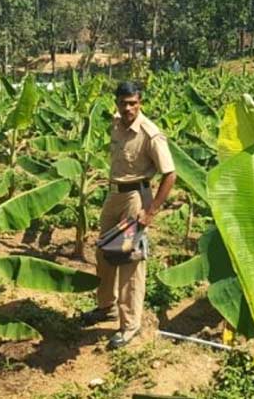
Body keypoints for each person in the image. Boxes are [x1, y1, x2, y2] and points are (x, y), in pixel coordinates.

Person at [81, 81, 177, 350]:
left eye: (133, 103)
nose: (128, 108)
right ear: (117, 103)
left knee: (130, 260)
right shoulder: (116, 123)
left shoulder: (149, 133)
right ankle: (106, 307)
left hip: (137, 197)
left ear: (140, 102)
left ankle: (130, 324)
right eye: (123, 103)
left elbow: (170, 174)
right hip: (114, 194)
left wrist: (152, 210)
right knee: (104, 252)